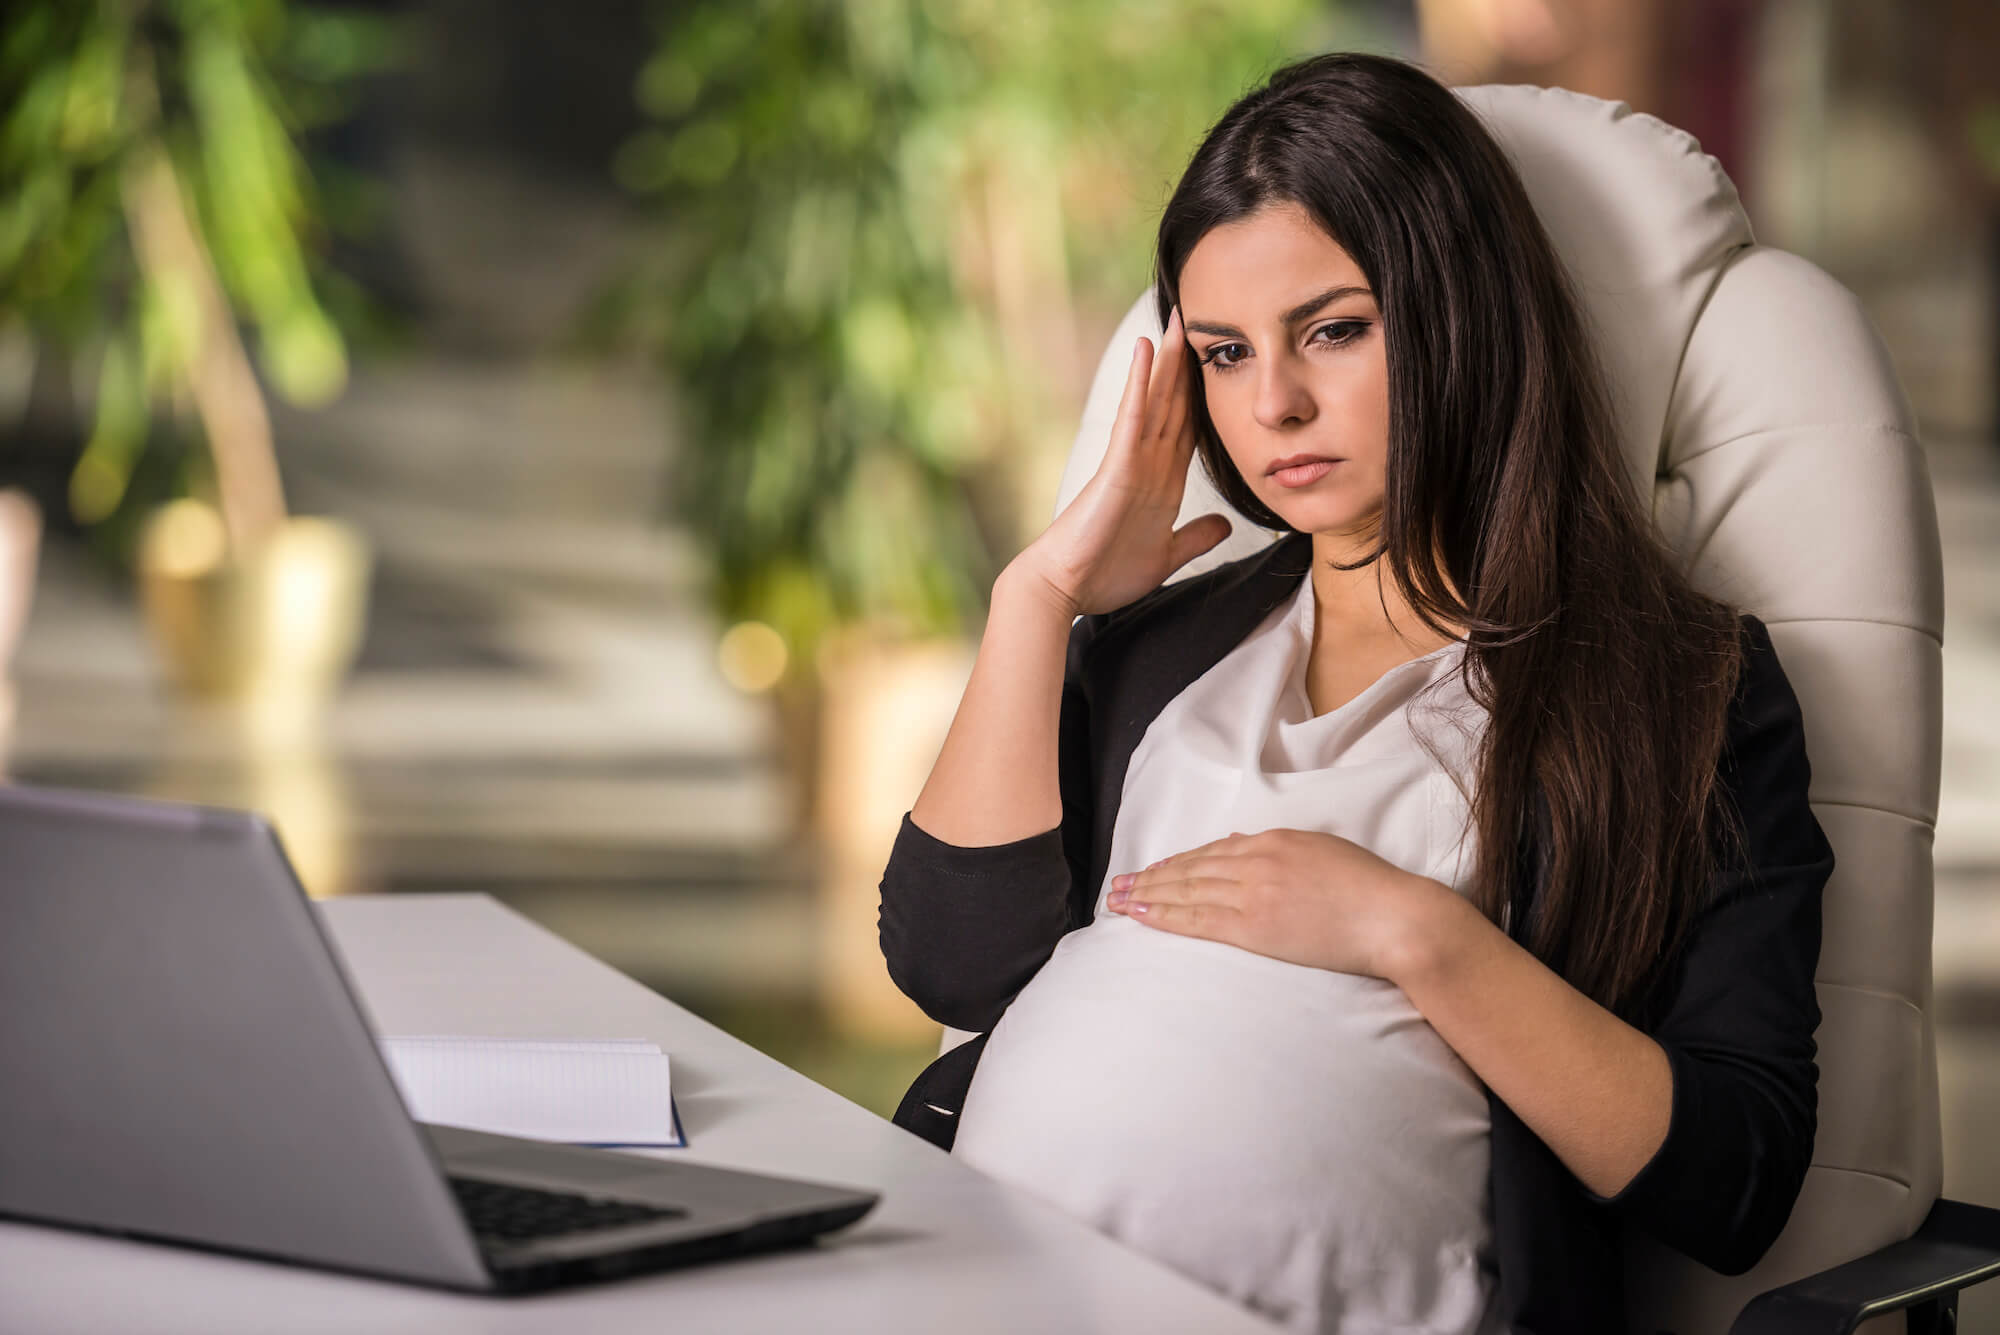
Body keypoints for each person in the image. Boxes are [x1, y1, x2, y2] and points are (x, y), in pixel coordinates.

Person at [875, 50, 1831, 1335]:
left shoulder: (1676, 688)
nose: (1270, 406)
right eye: (1222, 352)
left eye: (1331, 329)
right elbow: (955, 966)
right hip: (973, 1287)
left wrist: (1409, 932)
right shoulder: (1162, 646)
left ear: (1455, 310)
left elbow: (1737, 1181)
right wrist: (1036, 598)